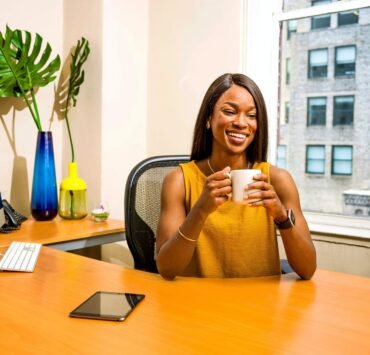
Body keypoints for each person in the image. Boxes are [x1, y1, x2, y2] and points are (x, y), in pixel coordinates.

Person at [156, 73, 316, 280]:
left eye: (251, 115)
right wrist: (200, 210)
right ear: (208, 118)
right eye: (230, 111)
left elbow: (308, 269)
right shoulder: (178, 181)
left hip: (260, 304)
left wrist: (282, 217)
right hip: (198, 305)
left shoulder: (278, 180)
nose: (241, 123)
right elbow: (167, 269)